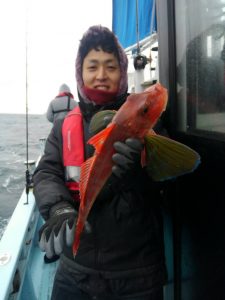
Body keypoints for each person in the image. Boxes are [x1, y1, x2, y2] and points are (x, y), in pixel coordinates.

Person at [33, 25, 167, 300]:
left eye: (111, 66)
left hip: (136, 272)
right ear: (80, 74)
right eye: (92, 66)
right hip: (75, 269)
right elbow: (46, 173)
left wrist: (138, 171)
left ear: (122, 72)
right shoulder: (63, 127)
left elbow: (169, 188)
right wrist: (58, 208)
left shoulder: (150, 122)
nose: (102, 75)